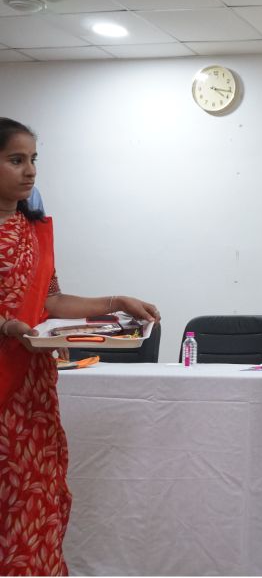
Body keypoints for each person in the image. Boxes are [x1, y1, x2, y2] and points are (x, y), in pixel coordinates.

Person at [0, 117, 159, 576]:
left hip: (31, 388)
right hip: (4, 381)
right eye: (16, 160)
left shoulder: (33, 231)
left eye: (33, 159)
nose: (30, 171)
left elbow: (50, 300)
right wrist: (8, 326)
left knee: (33, 494)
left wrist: (115, 302)